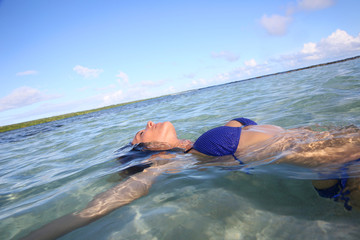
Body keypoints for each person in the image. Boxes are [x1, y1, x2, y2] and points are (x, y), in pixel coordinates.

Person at [22, 118, 360, 240]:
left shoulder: (201, 138)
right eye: (140, 131)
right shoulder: (173, 161)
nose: (149, 122)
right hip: (336, 160)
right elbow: (106, 204)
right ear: (150, 150)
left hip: (334, 158)